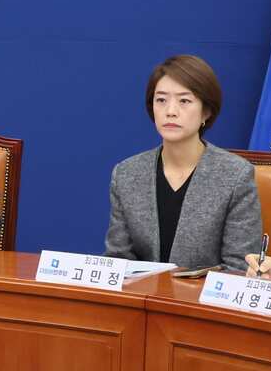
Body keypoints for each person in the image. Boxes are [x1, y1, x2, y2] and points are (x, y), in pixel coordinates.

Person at [106, 55, 260, 270]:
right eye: (161, 100)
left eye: (184, 101)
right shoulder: (126, 173)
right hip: (140, 298)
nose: (170, 111)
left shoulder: (235, 176)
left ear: (206, 111)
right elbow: (118, 259)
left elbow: (240, 267)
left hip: (201, 301)